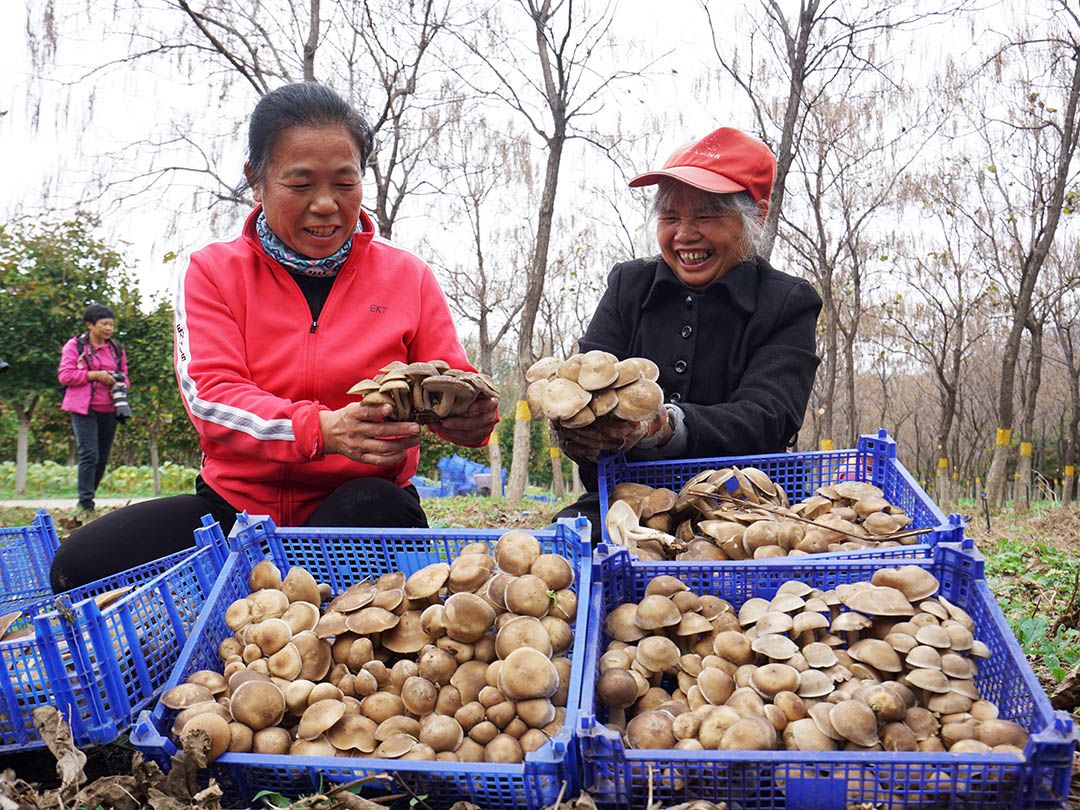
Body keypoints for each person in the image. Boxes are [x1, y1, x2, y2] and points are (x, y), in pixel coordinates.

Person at [50, 82, 498, 590]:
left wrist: (471, 418)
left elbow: (449, 379)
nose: (326, 204)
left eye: (344, 183)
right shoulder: (214, 271)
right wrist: (321, 431)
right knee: (80, 566)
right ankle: (251, 592)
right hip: (234, 506)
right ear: (257, 182)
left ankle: (294, 601)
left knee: (376, 510)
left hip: (359, 502)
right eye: (301, 184)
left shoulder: (407, 276)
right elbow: (212, 397)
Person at [553, 127, 823, 540]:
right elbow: (588, 381)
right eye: (670, 217)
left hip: (745, 507)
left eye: (706, 216)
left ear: (759, 214)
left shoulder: (786, 302)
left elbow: (768, 417)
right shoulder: (629, 287)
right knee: (562, 549)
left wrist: (667, 426)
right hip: (627, 502)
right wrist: (579, 429)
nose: (684, 234)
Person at [57, 304, 130, 513]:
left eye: (111, 324)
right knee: (89, 454)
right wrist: (95, 375)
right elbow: (65, 376)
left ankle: (90, 497)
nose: (109, 328)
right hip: (84, 409)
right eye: (104, 324)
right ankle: (85, 502)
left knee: (102, 458)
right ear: (90, 325)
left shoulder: (115, 349)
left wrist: (117, 380)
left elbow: (125, 377)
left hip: (110, 409)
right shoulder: (75, 346)